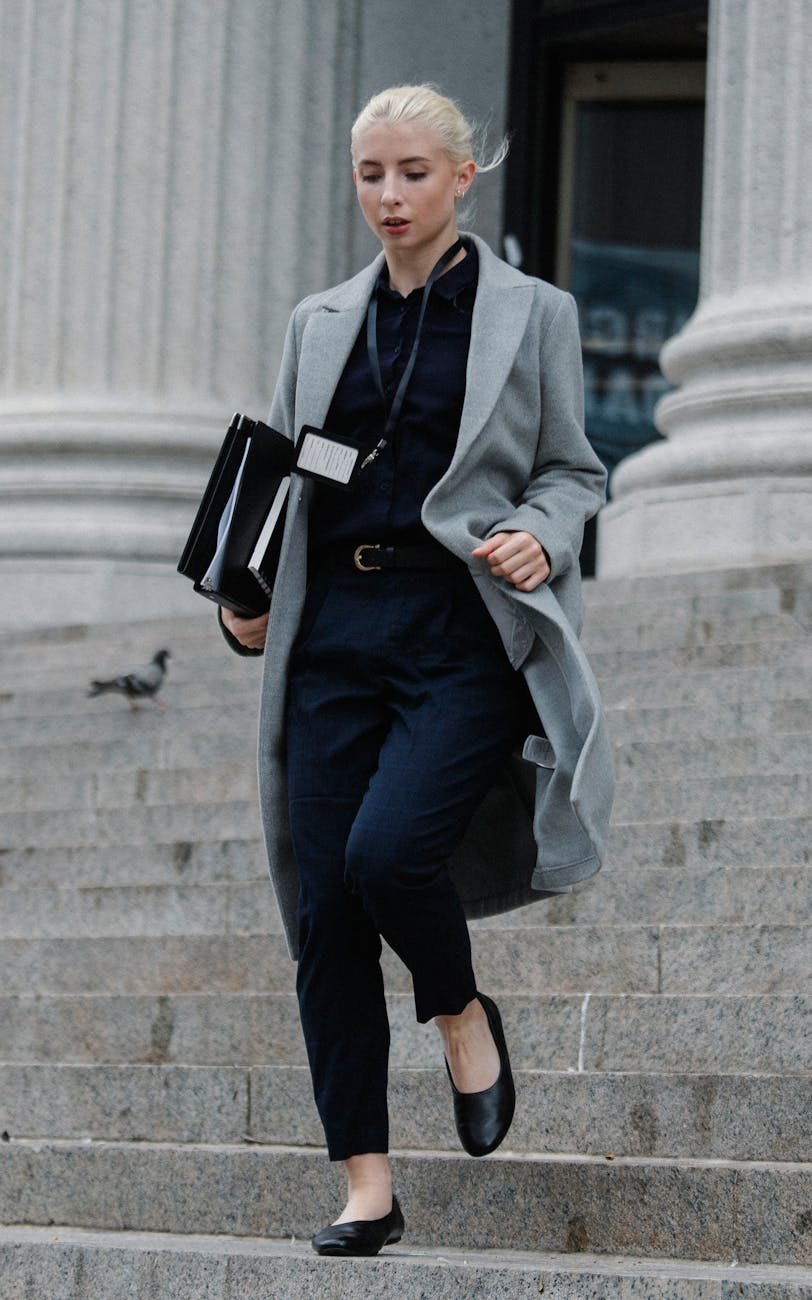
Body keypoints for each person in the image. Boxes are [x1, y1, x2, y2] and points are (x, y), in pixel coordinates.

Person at [219, 84, 614, 1256]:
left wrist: (539, 529)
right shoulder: (317, 322)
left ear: (461, 177)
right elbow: (280, 483)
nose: (388, 197)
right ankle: (366, 1185)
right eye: (369, 175)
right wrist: (243, 598)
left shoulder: (532, 312)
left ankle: (456, 1007)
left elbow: (573, 470)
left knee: (387, 854)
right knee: (324, 911)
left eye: (411, 173)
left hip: (457, 629)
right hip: (332, 634)